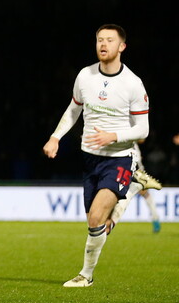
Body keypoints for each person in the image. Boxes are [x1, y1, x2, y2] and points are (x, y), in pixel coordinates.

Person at [43, 24, 151, 288]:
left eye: (110, 40)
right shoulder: (85, 76)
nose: (103, 44)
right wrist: (55, 137)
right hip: (90, 159)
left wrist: (113, 137)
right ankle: (127, 197)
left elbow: (143, 129)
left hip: (120, 158)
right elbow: (73, 110)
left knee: (95, 217)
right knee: (96, 221)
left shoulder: (133, 84)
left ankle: (86, 275)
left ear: (122, 46)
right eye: (99, 40)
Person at [109, 140, 162, 233]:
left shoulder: (130, 143)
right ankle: (156, 219)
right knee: (138, 196)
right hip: (129, 170)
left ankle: (156, 219)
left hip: (134, 172)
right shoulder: (129, 142)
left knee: (128, 196)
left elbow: (142, 140)